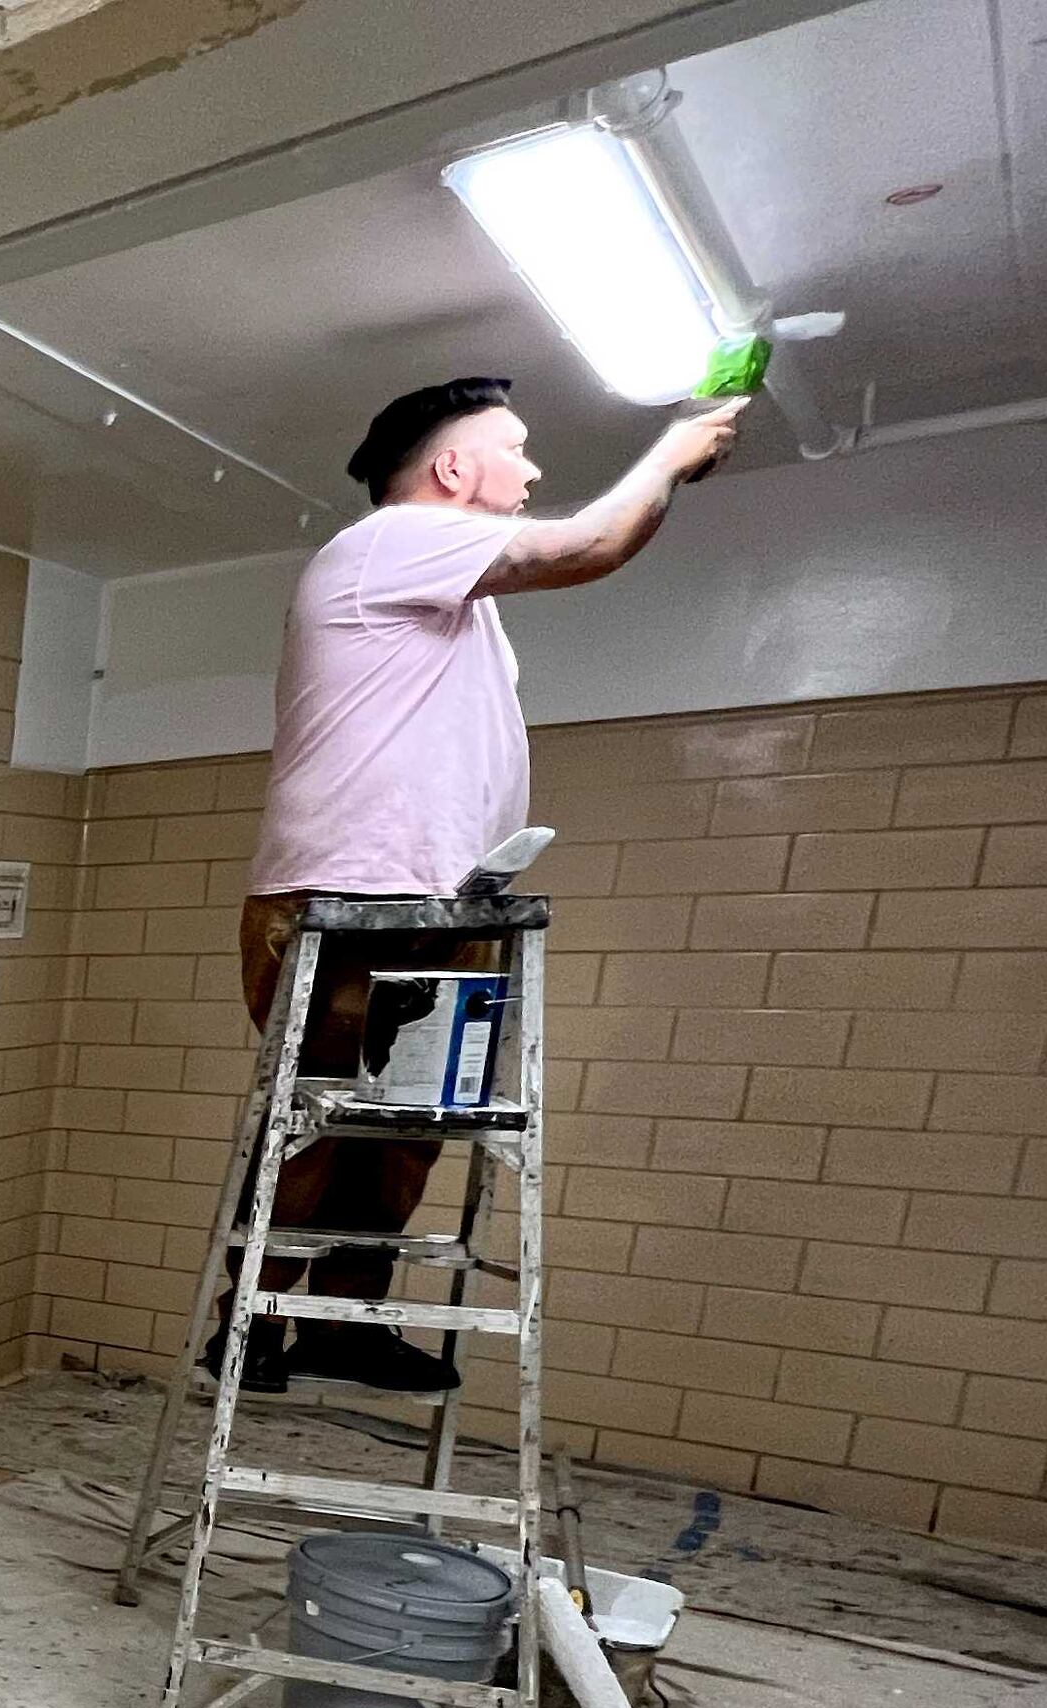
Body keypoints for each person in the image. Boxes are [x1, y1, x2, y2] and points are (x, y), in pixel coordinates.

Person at [214, 377, 742, 1395]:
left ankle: (342, 1324)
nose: (534, 468)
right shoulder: (392, 542)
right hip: (348, 897)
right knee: (324, 1127)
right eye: (517, 447)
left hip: (442, 901)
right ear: (453, 467)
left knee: (408, 1131)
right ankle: (255, 1328)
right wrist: (670, 456)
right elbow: (588, 544)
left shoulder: (454, 598)